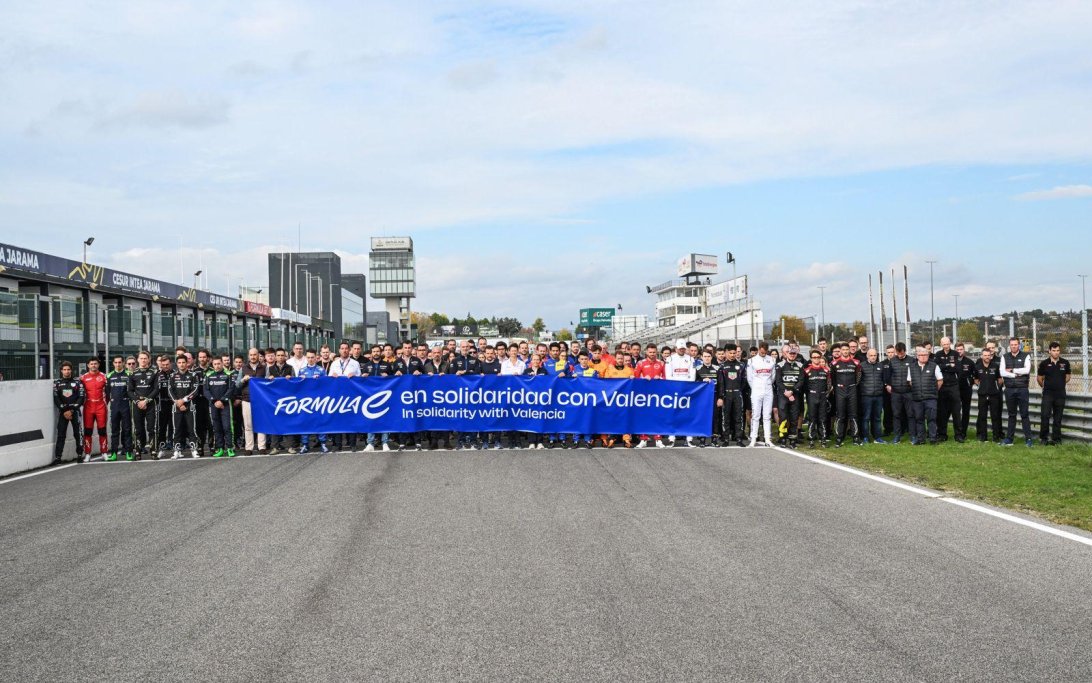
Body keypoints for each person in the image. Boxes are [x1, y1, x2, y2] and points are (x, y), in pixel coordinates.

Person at [999, 337, 1033, 447]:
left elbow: (1026, 370)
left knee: (1024, 414)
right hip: (1009, 389)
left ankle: (1028, 439)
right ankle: (1009, 439)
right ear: (1009, 346)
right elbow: (1002, 372)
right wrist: (1015, 375)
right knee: (1011, 415)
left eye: (1015, 344)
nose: (1014, 346)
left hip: (1022, 389)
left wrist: (1013, 370)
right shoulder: (1004, 357)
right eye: (1012, 345)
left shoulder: (1026, 356)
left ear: (1019, 345)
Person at [1037, 341, 1072, 445]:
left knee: (1058, 418)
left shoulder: (1065, 362)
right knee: (1045, 416)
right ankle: (1044, 439)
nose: (1056, 352)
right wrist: (1045, 387)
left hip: (1060, 394)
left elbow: (1068, 376)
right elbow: (1039, 378)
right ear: (1049, 351)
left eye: (1058, 350)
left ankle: (1056, 439)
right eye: (1054, 350)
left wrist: (1060, 383)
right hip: (1048, 394)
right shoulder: (1044, 363)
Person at [295, 349, 330, 454]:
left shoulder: (321, 370)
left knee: (320, 421)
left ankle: (323, 443)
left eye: (312, 357)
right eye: (308, 357)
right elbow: (298, 387)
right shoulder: (302, 370)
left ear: (316, 358)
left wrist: (320, 380)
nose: (310, 359)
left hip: (319, 401)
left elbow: (327, 385)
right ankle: (305, 445)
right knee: (305, 422)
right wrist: (300, 380)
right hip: (306, 402)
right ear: (306, 358)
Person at [907, 345, 943, 446]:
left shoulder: (934, 366)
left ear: (928, 355)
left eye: (925, 355)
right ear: (917, 356)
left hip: (931, 398)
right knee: (919, 419)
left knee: (931, 419)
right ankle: (921, 439)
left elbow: (940, 380)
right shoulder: (911, 367)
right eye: (921, 355)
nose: (923, 357)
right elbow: (910, 382)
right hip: (917, 398)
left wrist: (934, 390)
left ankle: (933, 438)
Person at [168, 354, 201, 459]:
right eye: (179, 363)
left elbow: (195, 390)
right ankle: (177, 450)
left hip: (189, 406)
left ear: (187, 363)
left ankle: (194, 449)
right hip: (176, 406)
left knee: (192, 429)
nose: (181, 364)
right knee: (176, 429)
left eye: (183, 362)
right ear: (176, 364)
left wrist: (184, 400)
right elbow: (170, 391)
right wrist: (178, 402)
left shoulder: (193, 375)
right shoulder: (172, 376)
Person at [127, 351, 159, 460]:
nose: (143, 360)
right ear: (138, 360)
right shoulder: (132, 373)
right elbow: (130, 391)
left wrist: (146, 401)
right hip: (137, 404)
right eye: (141, 358)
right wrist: (138, 401)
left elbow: (156, 389)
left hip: (150, 403)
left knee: (152, 428)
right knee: (138, 429)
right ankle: (138, 451)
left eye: (145, 358)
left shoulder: (154, 372)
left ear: (149, 359)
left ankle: (153, 450)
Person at [634, 344, 666, 448]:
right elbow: (635, 378)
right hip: (644, 395)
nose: (652, 354)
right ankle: (643, 439)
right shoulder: (640, 363)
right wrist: (643, 378)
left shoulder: (661, 363)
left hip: (658, 395)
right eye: (650, 352)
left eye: (654, 352)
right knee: (643, 416)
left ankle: (658, 439)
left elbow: (666, 378)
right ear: (646, 352)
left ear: (657, 352)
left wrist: (660, 378)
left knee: (658, 416)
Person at [53, 361, 85, 464]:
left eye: (68, 369)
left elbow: (81, 397)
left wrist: (72, 410)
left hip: (75, 412)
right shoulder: (57, 383)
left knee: (78, 434)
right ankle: (58, 457)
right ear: (61, 371)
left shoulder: (78, 382)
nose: (66, 371)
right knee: (61, 434)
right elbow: (56, 398)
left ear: (71, 370)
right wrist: (64, 410)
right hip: (63, 412)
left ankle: (80, 455)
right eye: (64, 369)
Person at [265, 348, 296, 454]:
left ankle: (291, 446)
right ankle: (274, 447)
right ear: (275, 356)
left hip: (288, 400)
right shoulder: (270, 368)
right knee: (275, 423)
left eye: (282, 355)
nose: (280, 357)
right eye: (278, 355)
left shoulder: (290, 368)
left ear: (285, 357)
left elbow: (296, 383)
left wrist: (291, 379)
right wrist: (269, 379)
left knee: (289, 423)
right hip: (274, 400)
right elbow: (265, 383)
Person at [204, 356, 236, 457]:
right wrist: (214, 401)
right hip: (213, 405)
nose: (217, 366)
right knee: (216, 428)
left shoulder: (229, 374)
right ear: (212, 365)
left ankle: (230, 448)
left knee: (227, 427)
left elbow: (231, 389)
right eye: (215, 364)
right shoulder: (208, 375)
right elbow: (206, 390)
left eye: (219, 364)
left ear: (222, 364)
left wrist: (222, 401)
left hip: (225, 405)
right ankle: (220, 448)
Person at [831, 343, 862, 447]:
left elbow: (858, 377)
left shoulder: (856, 362)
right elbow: (833, 379)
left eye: (846, 349)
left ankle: (855, 437)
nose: (845, 351)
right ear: (840, 351)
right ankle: (839, 437)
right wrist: (837, 388)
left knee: (853, 415)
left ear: (849, 350)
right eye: (843, 349)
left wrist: (853, 386)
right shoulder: (834, 363)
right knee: (840, 415)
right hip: (840, 390)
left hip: (852, 389)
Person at [934, 337, 964, 443]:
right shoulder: (938, 354)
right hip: (942, 386)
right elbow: (937, 367)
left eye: (947, 344)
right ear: (941, 344)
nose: (946, 346)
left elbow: (957, 368)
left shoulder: (955, 354)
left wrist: (946, 367)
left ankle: (958, 435)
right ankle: (942, 434)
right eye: (944, 344)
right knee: (942, 411)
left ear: (950, 343)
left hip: (953, 386)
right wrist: (948, 365)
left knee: (956, 411)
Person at [746, 341, 776, 448]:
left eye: (765, 352)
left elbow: (773, 377)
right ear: (759, 349)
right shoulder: (751, 361)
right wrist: (755, 388)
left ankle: (768, 438)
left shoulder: (772, 359)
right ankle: (753, 438)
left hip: (768, 389)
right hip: (756, 390)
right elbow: (749, 378)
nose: (763, 354)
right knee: (756, 415)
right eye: (761, 352)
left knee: (767, 415)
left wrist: (767, 384)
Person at [774, 345, 805, 448]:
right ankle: (783, 439)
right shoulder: (780, 365)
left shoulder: (800, 365)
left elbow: (801, 381)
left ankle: (792, 440)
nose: (792, 355)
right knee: (783, 417)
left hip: (794, 395)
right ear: (786, 354)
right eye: (790, 353)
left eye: (794, 353)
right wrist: (786, 391)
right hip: (783, 395)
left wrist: (792, 391)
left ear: (796, 354)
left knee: (794, 418)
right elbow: (778, 381)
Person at [239, 347, 267, 455]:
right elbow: (237, 385)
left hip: (260, 400)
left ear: (258, 356)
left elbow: (268, 382)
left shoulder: (264, 368)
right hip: (247, 399)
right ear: (248, 356)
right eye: (251, 355)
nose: (253, 357)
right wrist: (243, 379)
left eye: (255, 355)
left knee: (261, 423)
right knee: (248, 425)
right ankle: (249, 447)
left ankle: (261, 447)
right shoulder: (243, 368)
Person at [78, 357, 108, 460]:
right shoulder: (83, 378)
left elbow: (109, 391)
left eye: (95, 363)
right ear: (88, 365)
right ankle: (87, 454)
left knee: (102, 430)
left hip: (101, 406)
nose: (93, 365)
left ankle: (104, 452)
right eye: (91, 364)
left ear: (98, 365)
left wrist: (107, 401)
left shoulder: (104, 377)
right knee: (88, 431)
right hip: (88, 407)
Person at [717, 344, 746, 447]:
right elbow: (721, 383)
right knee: (726, 417)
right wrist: (721, 396)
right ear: (726, 353)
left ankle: (739, 438)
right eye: (730, 353)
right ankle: (725, 439)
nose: (733, 355)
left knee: (739, 417)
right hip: (726, 394)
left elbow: (744, 381)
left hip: (738, 394)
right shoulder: (722, 366)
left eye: (734, 353)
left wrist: (739, 391)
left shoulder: (741, 365)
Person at [884, 342, 914, 444]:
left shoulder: (911, 360)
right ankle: (897, 436)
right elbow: (888, 375)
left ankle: (912, 436)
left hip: (908, 392)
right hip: (896, 393)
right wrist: (888, 385)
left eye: (901, 353)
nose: (900, 355)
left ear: (905, 351)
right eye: (898, 353)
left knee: (910, 414)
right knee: (896, 415)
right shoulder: (892, 361)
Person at [105, 356, 133, 461]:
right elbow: (107, 393)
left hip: (126, 406)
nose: (118, 364)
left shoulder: (129, 374)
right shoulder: (109, 376)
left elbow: (132, 391)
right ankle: (113, 453)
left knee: (127, 429)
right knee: (114, 430)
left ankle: (128, 452)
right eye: (116, 362)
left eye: (120, 362)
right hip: (114, 407)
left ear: (123, 363)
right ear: (113, 363)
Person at [973, 347, 1003, 442]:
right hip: (982, 395)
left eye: (988, 355)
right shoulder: (977, 367)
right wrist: (981, 386)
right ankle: (983, 437)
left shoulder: (995, 366)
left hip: (994, 395)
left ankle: (996, 437)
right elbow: (976, 380)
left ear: (991, 356)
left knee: (995, 416)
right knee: (982, 416)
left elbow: (1000, 379)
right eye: (985, 355)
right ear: (982, 356)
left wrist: (996, 387)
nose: (987, 357)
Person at [803, 350, 832, 447]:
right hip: (812, 396)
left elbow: (829, 384)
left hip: (823, 396)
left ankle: (823, 439)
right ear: (811, 358)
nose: (816, 359)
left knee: (822, 418)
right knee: (812, 418)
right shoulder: (807, 371)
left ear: (820, 358)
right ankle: (811, 439)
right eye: (814, 357)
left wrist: (826, 394)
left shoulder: (826, 370)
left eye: (817, 357)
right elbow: (805, 385)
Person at [859, 348, 885, 444]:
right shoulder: (861, 366)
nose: (873, 357)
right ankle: (865, 437)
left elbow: (883, 380)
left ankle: (877, 437)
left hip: (878, 396)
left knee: (877, 418)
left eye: (875, 355)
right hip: (866, 396)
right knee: (866, 417)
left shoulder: (880, 366)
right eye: (871, 355)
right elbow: (859, 380)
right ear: (867, 356)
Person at [694, 350, 719, 447]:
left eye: (709, 356)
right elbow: (694, 383)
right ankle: (702, 439)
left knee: (715, 417)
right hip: (702, 398)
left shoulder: (717, 368)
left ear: (711, 357)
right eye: (705, 356)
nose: (707, 358)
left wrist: (720, 397)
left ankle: (714, 439)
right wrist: (702, 380)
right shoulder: (698, 369)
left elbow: (721, 384)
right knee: (703, 417)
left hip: (714, 396)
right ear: (702, 357)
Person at [154, 355, 175, 457]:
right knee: (161, 427)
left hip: (174, 403)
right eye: (163, 365)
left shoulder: (175, 374)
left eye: (167, 364)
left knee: (174, 426)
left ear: (170, 363)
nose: (165, 366)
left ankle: (175, 447)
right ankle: (161, 448)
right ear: (160, 365)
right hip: (161, 404)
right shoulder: (157, 375)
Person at [955, 343, 975, 439]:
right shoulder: (952, 361)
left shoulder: (970, 362)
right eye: (957, 349)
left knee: (966, 411)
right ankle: (957, 431)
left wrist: (970, 382)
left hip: (966, 390)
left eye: (961, 349)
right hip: (955, 390)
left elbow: (975, 375)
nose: (959, 351)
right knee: (956, 411)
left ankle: (964, 432)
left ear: (964, 350)